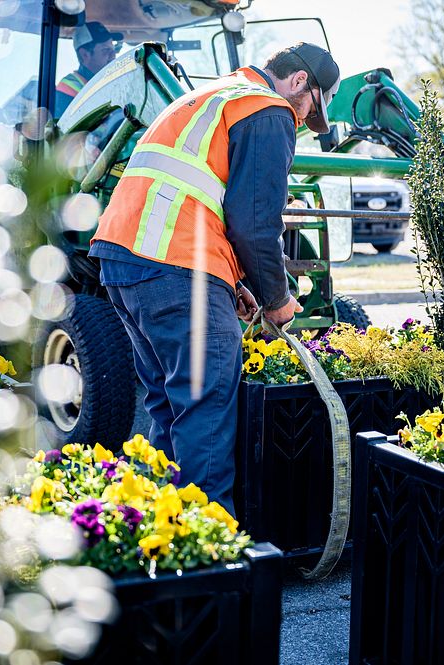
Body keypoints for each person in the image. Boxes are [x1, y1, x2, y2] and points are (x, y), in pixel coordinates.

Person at [88, 43, 341, 512]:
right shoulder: (267, 108)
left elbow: (202, 197)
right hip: (175, 262)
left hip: (125, 258)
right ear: (300, 82)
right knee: (205, 411)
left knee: (170, 405)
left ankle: (161, 533)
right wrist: (276, 299)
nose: (305, 120)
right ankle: (209, 557)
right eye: (311, 108)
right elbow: (255, 222)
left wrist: (236, 284)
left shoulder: (209, 96)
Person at [55, 21, 122, 118]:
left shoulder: (109, 82)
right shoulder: (68, 88)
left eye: (113, 49)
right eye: (106, 50)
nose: (113, 56)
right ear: (85, 54)